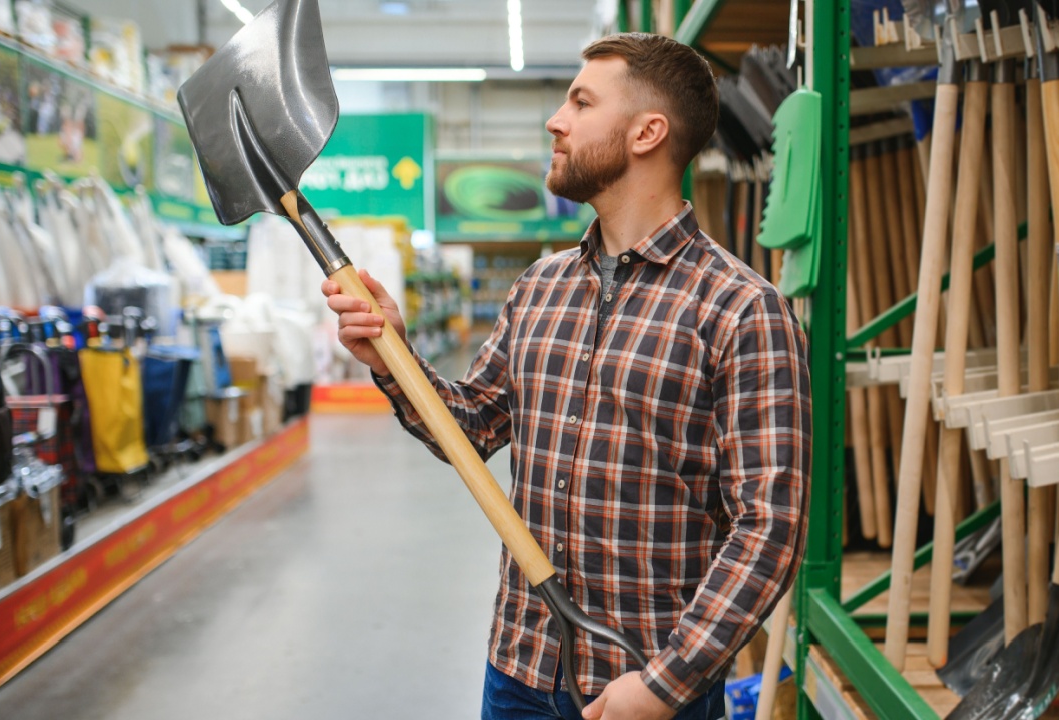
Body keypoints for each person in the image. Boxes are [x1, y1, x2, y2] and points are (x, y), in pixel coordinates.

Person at [323, 32, 810, 720]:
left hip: (643, 684)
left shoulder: (740, 311)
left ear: (647, 132)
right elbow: (472, 424)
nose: (556, 119)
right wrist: (393, 360)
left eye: (581, 102)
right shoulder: (539, 288)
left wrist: (666, 685)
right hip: (519, 668)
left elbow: (771, 528)